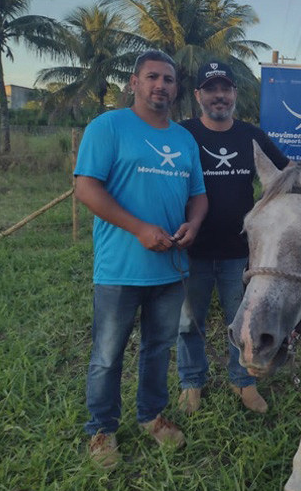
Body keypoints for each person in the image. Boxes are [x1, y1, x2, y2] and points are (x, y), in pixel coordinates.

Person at [74, 50, 208, 470]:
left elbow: (198, 196)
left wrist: (194, 224)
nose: (161, 86)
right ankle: (102, 429)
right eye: (152, 77)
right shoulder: (109, 127)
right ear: (134, 82)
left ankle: (151, 415)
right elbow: (86, 188)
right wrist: (138, 228)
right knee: (108, 354)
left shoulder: (185, 140)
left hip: (170, 268)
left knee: (158, 349)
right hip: (119, 268)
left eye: (168, 80)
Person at [176, 59, 290, 415]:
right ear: (198, 95)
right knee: (188, 323)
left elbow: (287, 174)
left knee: (242, 321)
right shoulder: (183, 134)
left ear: (234, 94)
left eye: (225, 88)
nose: (219, 96)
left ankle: (243, 382)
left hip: (239, 253)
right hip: (190, 249)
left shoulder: (251, 136)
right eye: (211, 89)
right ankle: (191, 381)